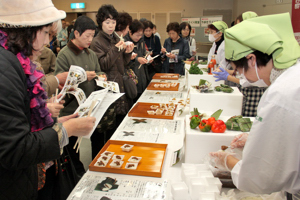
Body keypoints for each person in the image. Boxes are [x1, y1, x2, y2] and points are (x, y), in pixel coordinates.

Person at [0, 0, 96, 199]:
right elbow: (15, 148)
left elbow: (20, 123)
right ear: (27, 30)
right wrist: (66, 131)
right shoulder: (6, 69)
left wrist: (57, 123)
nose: (47, 42)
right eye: (45, 33)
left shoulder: (15, 62)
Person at [209, 13, 300, 199]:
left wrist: (229, 161)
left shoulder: (279, 95)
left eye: (241, 71)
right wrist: (256, 137)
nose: (243, 78)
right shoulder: (292, 78)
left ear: (251, 60)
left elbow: (260, 177)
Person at [55, 16, 101, 176]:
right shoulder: (64, 54)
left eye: (92, 35)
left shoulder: (91, 54)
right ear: (76, 33)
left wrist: (102, 77)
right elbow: (59, 82)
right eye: (87, 35)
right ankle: (75, 178)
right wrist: (81, 77)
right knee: (72, 152)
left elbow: (99, 71)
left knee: (85, 145)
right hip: (70, 111)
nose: (90, 39)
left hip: (89, 108)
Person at [90, 5, 134, 157]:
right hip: (106, 90)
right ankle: (99, 161)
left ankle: (113, 159)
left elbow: (123, 65)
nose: (111, 26)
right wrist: (116, 49)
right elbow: (103, 65)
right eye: (107, 22)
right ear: (101, 22)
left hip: (119, 88)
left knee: (116, 128)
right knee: (103, 130)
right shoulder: (96, 41)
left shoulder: (117, 38)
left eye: (113, 22)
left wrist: (127, 53)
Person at [212, 12, 267, 117]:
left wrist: (229, 76)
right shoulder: (246, 43)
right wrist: (229, 72)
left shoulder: (257, 46)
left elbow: (251, 78)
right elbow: (244, 73)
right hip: (245, 90)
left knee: (249, 122)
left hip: (254, 93)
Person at [124, 19, 151, 102]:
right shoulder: (125, 42)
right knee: (133, 100)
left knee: (142, 98)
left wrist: (148, 57)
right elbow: (123, 59)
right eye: (137, 35)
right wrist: (136, 59)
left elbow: (144, 53)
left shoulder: (141, 41)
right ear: (130, 31)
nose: (139, 37)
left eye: (140, 35)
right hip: (131, 76)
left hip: (142, 74)